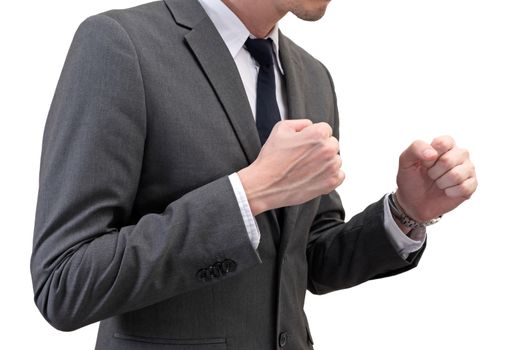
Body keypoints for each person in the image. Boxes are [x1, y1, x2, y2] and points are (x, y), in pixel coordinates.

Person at [31, 0, 478, 349]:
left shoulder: (313, 77)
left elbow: (308, 261)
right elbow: (64, 282)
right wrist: (246, 195)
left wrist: (406, 212)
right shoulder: (119, 45)